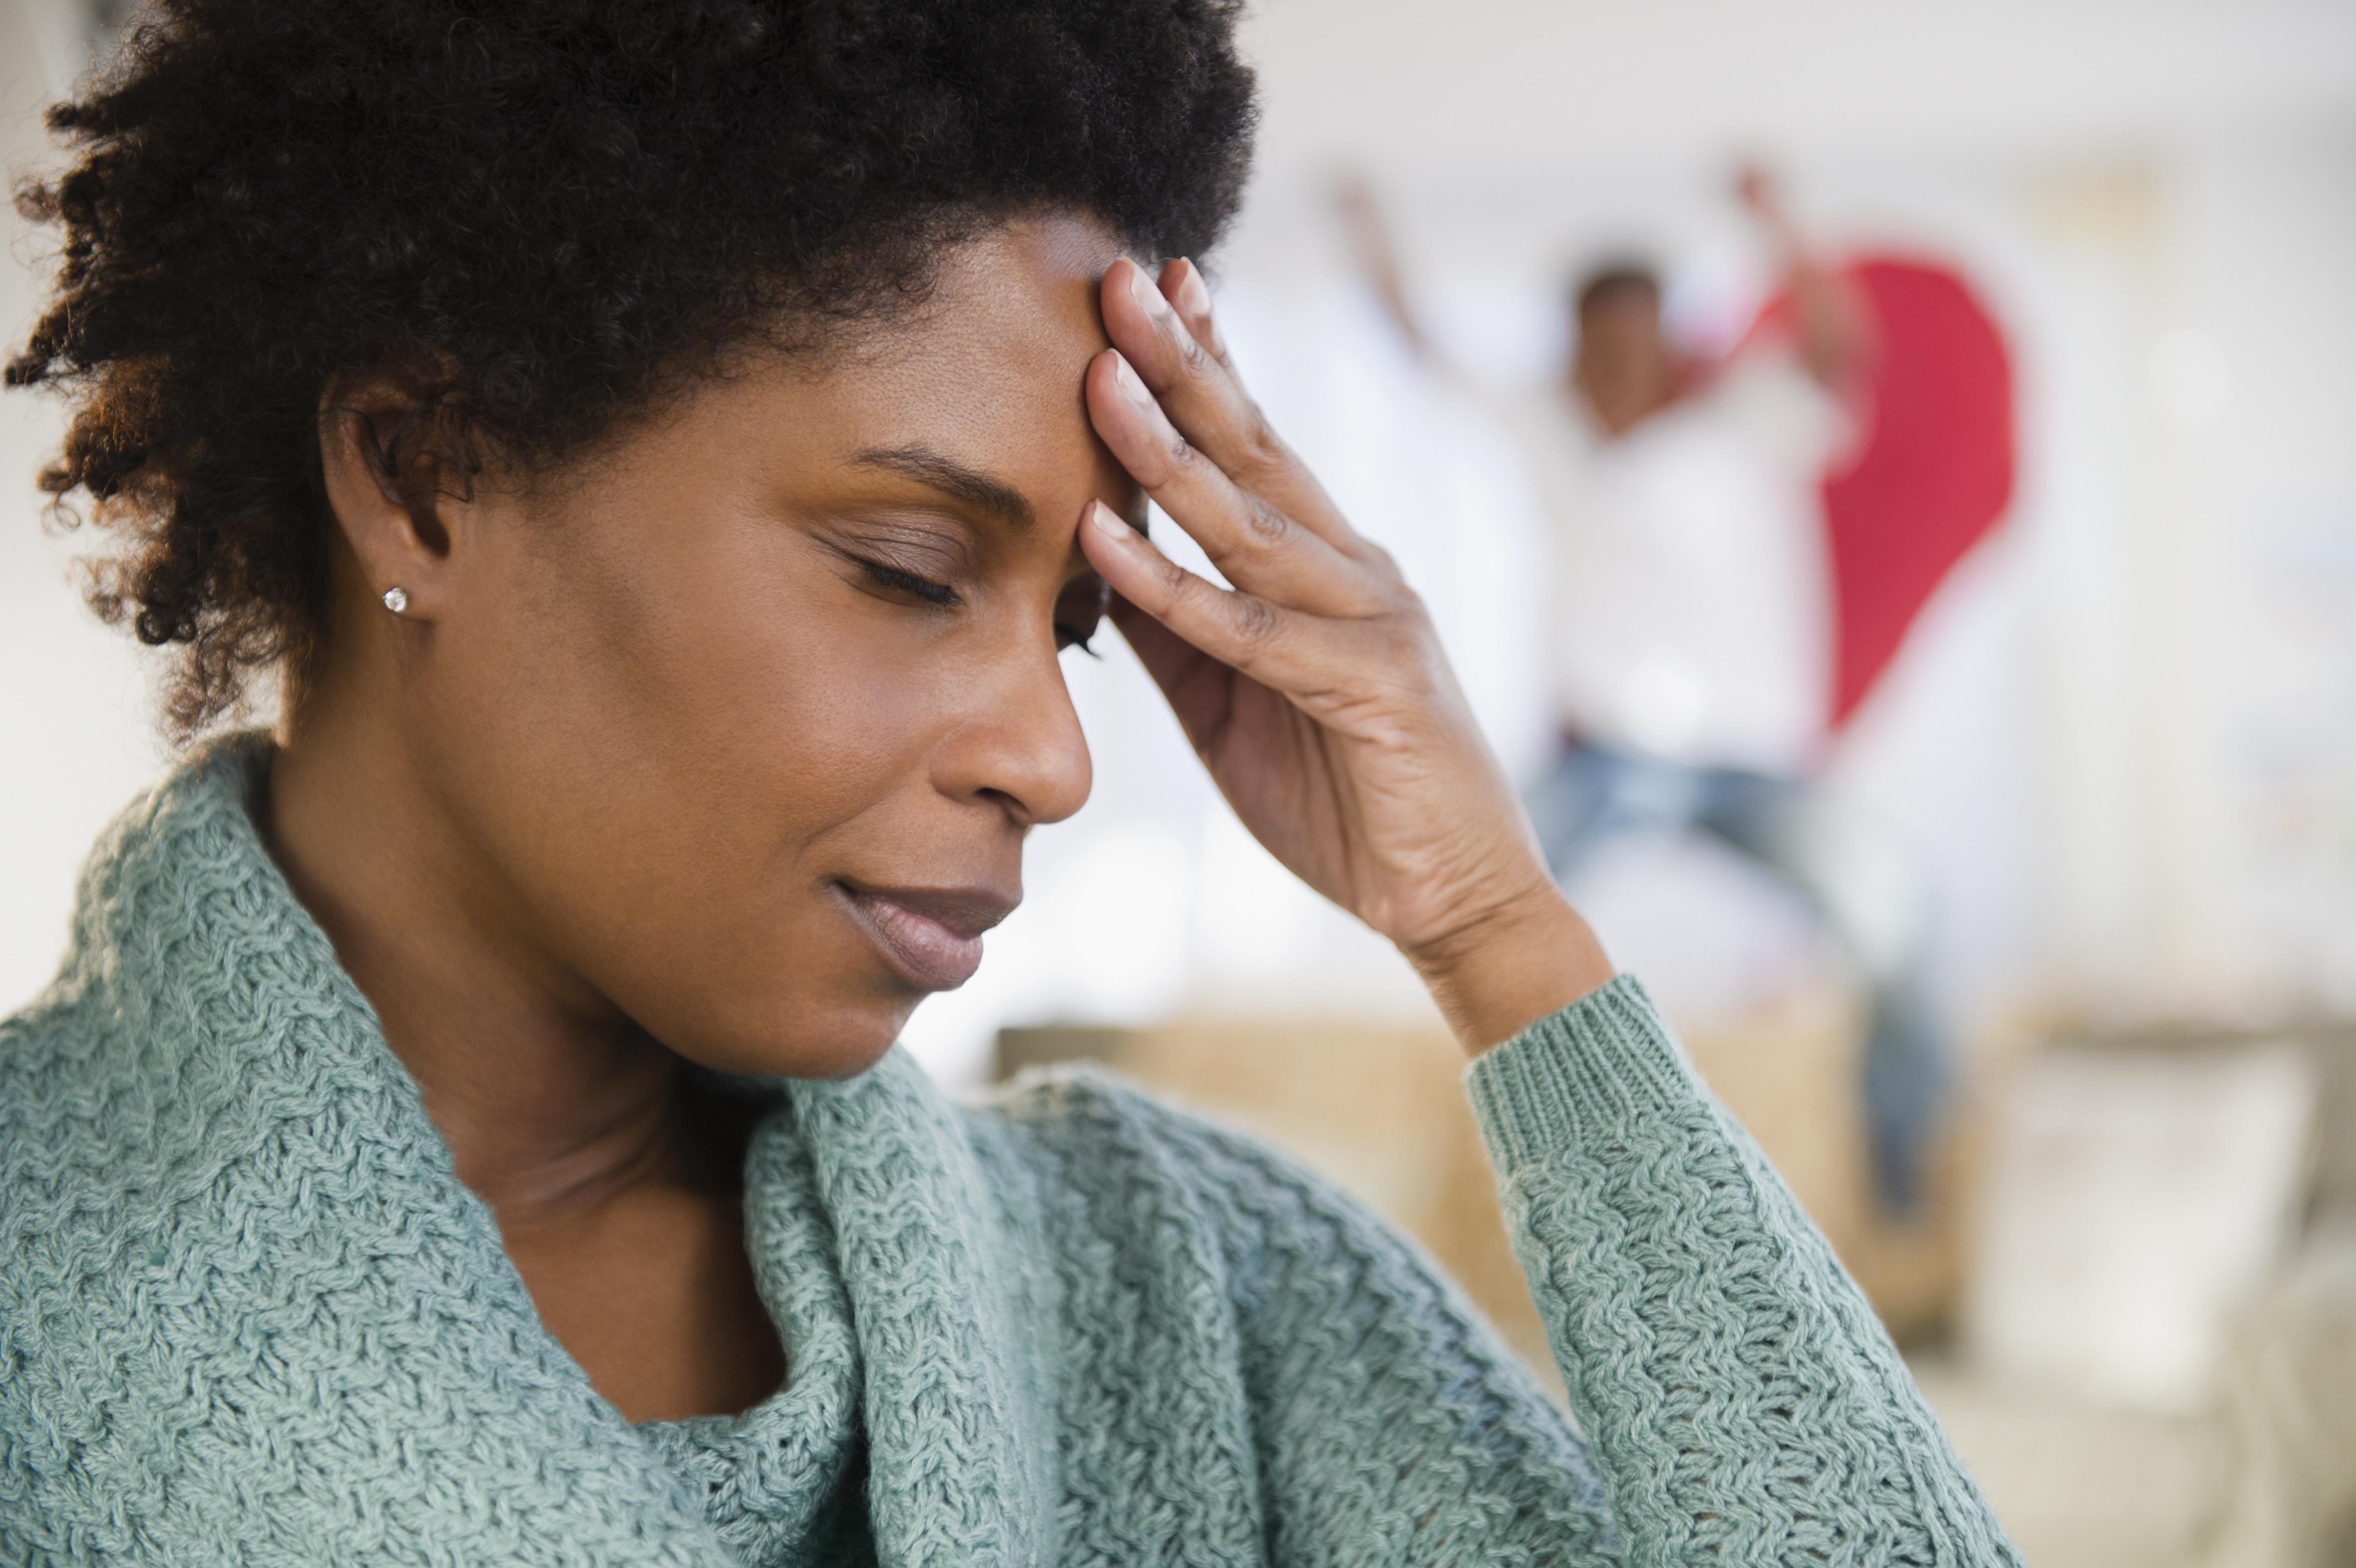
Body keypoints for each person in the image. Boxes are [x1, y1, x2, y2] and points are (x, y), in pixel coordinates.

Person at [0, 5, 2020, 1564]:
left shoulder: (1188, 1280)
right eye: (903, 571)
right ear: (427, 474)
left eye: (1071, 628)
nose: (1055, 759)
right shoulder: (44, 1308)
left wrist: (1497, 932)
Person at [1340, 170, 1950, 1210]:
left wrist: (1777, 224)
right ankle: (1470, 1149)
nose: (1613, 369)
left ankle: (1902, 1156)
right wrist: (1367, 231)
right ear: (1570, 344)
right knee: (1461, 905)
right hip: (1607, 750)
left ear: (1667, 342)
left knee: (1886, 908)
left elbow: (1844, 351)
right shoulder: (1545, 420)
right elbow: (1420, 346)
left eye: (1634, 344)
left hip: (1749, 757)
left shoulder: (1744, 413)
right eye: (1594, 347)